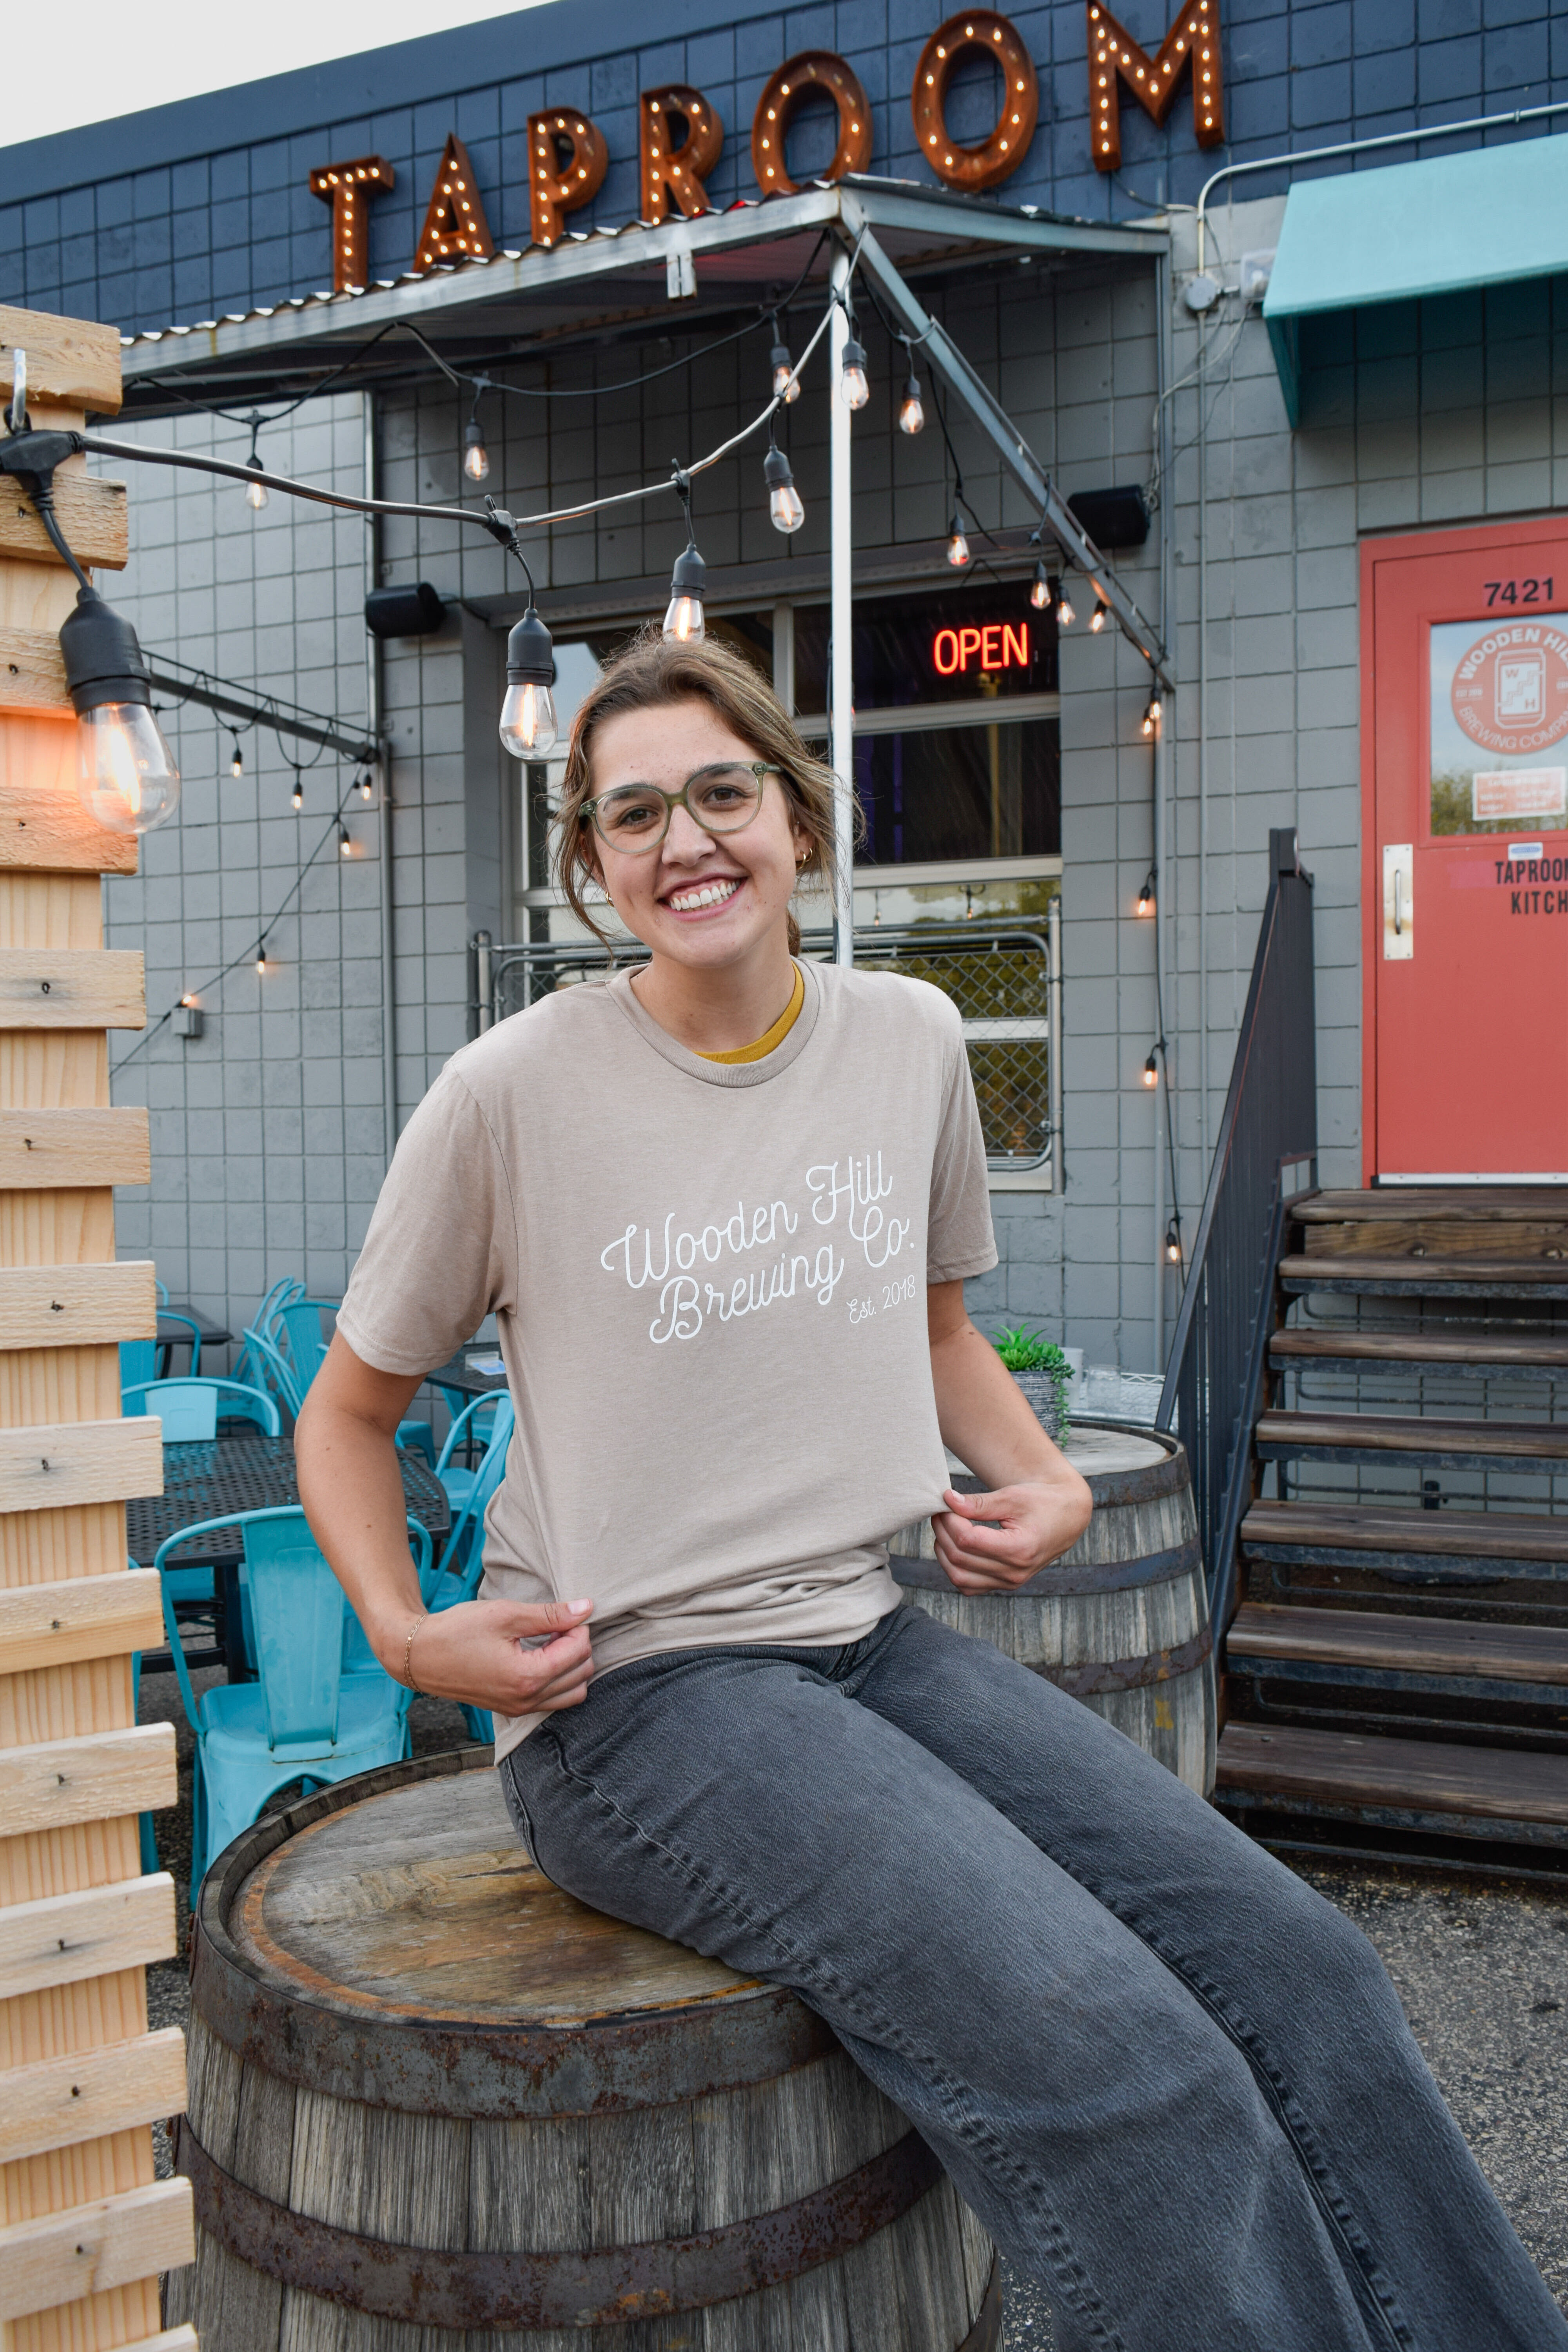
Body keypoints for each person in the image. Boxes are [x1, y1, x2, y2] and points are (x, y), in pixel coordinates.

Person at [296, 632, 1565, 2352]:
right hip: (635, 1695)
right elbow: (346, 1414)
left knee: (1305, 1974)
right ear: (594, 869)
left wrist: (1038, 1479)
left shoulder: (907, 1039)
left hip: (866, 1639)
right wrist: (407, 1634)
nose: (687, 840)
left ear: (799, 817)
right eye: (633, 814)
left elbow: (933, 1320)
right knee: (1125, 2053)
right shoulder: (511, 1095)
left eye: (722, 791)